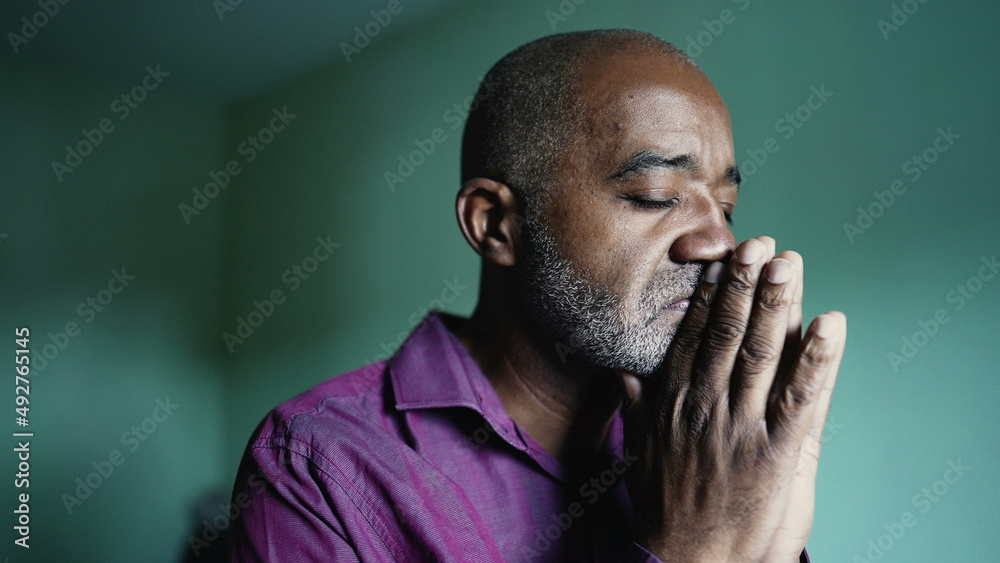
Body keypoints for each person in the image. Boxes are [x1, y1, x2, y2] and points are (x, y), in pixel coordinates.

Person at [229, 29, 846, 562]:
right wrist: (690, 550)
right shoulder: (317, 461)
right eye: (657, 195)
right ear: (496, 224)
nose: (719, 241)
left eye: (728, 205)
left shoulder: (719, 439)